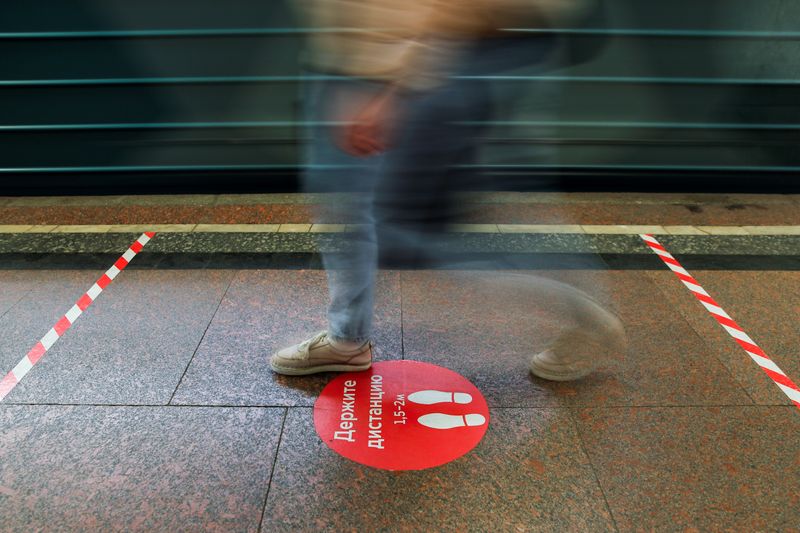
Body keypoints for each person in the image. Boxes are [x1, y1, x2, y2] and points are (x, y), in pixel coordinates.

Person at [270, 0, 626, 380]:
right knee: (360, 213)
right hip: (392, 61)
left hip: (421, 60)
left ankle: (587, 318)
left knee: (412, 232)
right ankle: (346, 339)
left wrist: (395, 88)